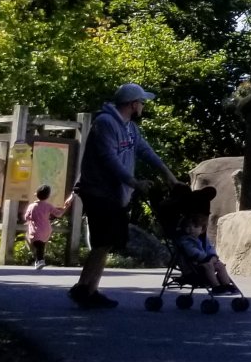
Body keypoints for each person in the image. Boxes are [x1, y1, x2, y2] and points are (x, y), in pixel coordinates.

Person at [68, 83, 175, 309]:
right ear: (133, 104)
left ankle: (87, 288)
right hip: (98, 190)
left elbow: (146, 151)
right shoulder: (105, 124)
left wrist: (168, 175)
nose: (144, 106)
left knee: (105, 243)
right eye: (142, 102)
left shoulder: (129, 127)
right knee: (102, 240)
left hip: (115, 193)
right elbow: (110, 160)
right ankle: (85, 289)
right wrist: (134, 182)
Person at [174, 215, 238, 295]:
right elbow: (192, 252)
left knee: (220, 265)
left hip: (204, 263)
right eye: (187, 227)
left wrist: (213, 257)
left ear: (202, 229)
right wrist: (207, 259)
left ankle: (227, 285)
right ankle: (216, 287)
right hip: (192, 267)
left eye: (195, 226)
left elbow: (211, 249)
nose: (191, 229)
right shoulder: (184, 240)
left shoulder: (203, 239)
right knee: (208, 265)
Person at [21, 185, 73, 271]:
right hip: (46, 228)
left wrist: (31, 219)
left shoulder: (32, 206)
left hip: (35, 229)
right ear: (48, 196)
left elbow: (26, 217)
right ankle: (38, 261)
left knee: (37, 244)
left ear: (36, 194)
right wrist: (65, 207)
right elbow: (58, 214)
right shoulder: (48, 206)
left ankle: (40, 260)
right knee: (41, 244)